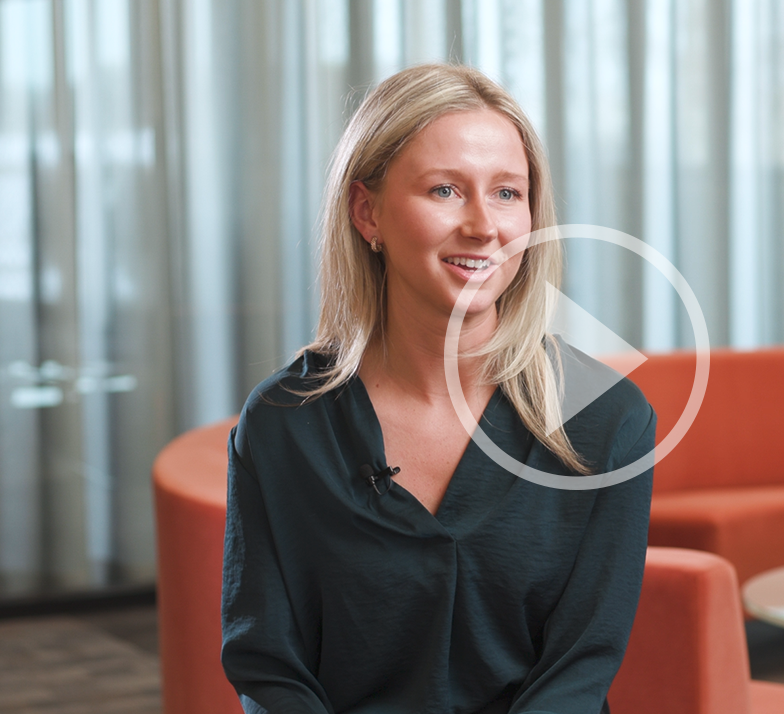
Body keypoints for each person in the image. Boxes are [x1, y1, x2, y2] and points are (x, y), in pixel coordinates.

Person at [219, 63, 657, 714]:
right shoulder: (284, 423)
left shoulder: (606, 420)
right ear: (367, 213)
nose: (484, 226)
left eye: (508, 193)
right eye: (446, 190)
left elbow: (578, 669)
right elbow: (269, 666)